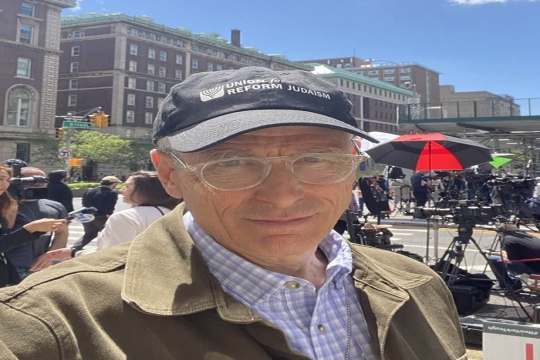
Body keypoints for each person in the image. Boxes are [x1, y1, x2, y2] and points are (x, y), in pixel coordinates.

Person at [0, 67, 466, 359]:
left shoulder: (417, 285)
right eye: (232, 163)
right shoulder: (49, 326)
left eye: (316, 159)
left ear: (351, 167)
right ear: (170, 176)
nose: (283, 195)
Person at [47, 171, 180, 259]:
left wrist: (77, 254)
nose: (121, 191)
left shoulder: (124, 217)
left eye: (127, 187)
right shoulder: (174, 214)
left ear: (144, 192)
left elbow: (112, 258)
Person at [0, 165, 67, 287]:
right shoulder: (6, 205)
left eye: (7, 180)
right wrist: (31, 228)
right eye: (30, 180)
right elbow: (5, 240)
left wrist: (49, 255)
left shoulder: (54, 206)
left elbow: (62, 231)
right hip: (13, 266)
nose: (36, 185)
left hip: (35, 267)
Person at [70, 175, 119, 251]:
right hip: (101, 217)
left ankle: (75, 248)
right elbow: (109, 208)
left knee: (89, 234)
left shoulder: (89, 191)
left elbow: (84, 203)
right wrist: (110, 219)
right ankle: (107, 251)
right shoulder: (111, 193)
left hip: (87, 216)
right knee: (107, 235)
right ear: (113, 184)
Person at [487, 226, 540, 291]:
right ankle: (512, 281)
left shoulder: (508, 239)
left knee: (492, 258)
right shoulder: (528, 236)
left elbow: (513, 259)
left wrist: (501, 254)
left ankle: (506, 284)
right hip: (535, 264)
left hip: (535, 269)